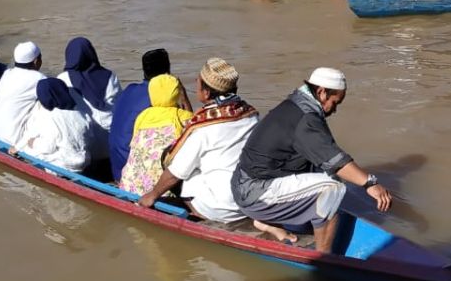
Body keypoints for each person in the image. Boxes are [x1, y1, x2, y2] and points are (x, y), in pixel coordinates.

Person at [232, 67, 392, 252]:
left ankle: (273, 221)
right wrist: (370, 183)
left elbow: (326, 155)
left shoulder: (295, 105)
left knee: (329, 176)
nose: (335, 109)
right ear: (322, 92)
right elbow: (335, 161)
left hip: (247, 186)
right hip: (254, 193)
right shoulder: (306, 118)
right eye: (335, 102)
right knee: (332, 189)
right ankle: (323, 257)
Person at [137, 58, 260, 223]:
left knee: (172, 159)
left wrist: (151, 196)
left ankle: (198, 212)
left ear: (207, 93)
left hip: (223, 208)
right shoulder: (251, 114)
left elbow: (176, 172)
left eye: (198, 82)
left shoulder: (203, 127)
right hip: (249, 200)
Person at [118, 74, 194, 195]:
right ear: (177, 93)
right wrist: (184, 99)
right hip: (160, 193)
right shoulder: (184, 117)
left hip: (129, 187)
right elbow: (193, 122)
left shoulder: (143, 116)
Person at [109, 48, 175, 182]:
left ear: (144, 71)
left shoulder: (129, 89)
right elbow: (190, 131)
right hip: (133, 171)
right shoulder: (160, 99)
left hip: (117, 167)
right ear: (168, 71)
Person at [58, 37, 120, 160]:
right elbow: (119, 105)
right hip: (110, 141)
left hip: (85, 145)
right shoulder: (109, 76)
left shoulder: (62, 80)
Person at [19, 78, 93, 173]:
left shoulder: (50, 117)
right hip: (84, 161)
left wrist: (33, 142)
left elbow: (48, 147)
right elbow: (90, 138)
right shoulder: (82, 114)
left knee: (27, 148)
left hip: (63, 165)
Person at [0, 42, 46, 147]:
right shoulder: (38, 78)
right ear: (36, 61)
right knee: (45, 107)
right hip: (13, 139)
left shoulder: (7, 73)